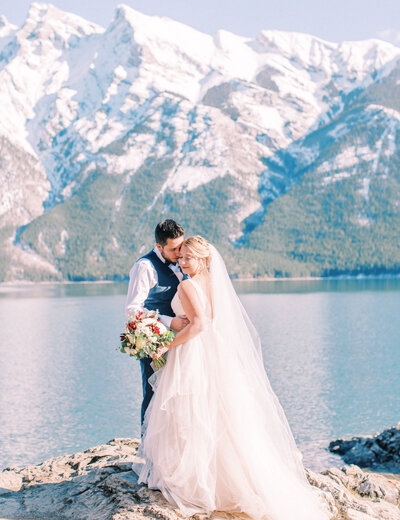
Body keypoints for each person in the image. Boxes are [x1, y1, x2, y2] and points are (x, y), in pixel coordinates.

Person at [133, 236, 330, 520]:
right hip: (215, 352)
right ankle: (223, 475)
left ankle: (192, 477)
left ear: (203, 259)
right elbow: (211, 321)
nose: (181, 261)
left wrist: (167, 345)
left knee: (189, 414)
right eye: (181, 256)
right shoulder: (213, 283)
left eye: (188, 257)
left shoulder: (186, 285)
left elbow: (199, 324)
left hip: (192, 353)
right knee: (217, 413)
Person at [125, 219, 189, 426]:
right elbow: (133, 309)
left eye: (181, 246)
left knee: (179, 394)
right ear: (159, 246)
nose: (179, 253)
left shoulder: (183, 261)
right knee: (154, 394)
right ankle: (148, 448)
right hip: (155, 341)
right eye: (173, 249)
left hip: (182, 341)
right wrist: (170, 322)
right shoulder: (144, 267)